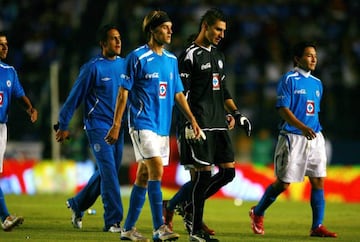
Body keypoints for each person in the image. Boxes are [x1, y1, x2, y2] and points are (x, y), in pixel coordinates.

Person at [105, 10, 204, 242]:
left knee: (143, 175)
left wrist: (192, 119)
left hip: (162, 127)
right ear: (152, 29)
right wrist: (116, 123)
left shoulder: (171, 60)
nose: (170, 30)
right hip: (142, 123)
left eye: (171, 27)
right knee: (157, 170)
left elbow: (178, 93)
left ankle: (128, 229)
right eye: (165, 27)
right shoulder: (137, 57)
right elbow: (123, 93)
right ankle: (160, 227)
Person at [163, 8, 251, 242]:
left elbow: (222, 91)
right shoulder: (189, 55)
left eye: (224, 31)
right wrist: (189, 123)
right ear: (205, 27)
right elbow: (180, 93)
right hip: (198, 125)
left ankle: (185, 207)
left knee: (229, 172)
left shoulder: (219, 57)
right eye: (218, 29)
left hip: (218, 124)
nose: (222, 34)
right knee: (202, 177)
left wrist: (237, 114)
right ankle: (195, 230)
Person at [249, 41, 337, 238]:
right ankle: (258, 212)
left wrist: (311, 129)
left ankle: (317, 226)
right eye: (308, 55)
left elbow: (313, 112)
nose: (313, 58)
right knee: (283, 184)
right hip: (293, 137)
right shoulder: (288, 80)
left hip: (314, 137)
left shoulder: (317, 83)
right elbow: (282, 109)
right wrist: (302, 127)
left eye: (314, 55)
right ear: (297, 59)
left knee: (318, 181)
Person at [55, 24, 128, 233]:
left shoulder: (124, 66)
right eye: (113, 38)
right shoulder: (92, 67)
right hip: (97, 126)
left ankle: (78, 204)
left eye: (119, 38)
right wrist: (63, 124)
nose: (118, 42)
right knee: (110, 173)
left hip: (117, 126)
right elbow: (74, 97)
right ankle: (113, 221)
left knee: (108, 171)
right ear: (103, 44)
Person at [0, 31, 38, 231]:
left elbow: (19, 95)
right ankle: (5, 217)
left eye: (6, 44)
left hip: (1, 128)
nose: (5, 47)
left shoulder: (9, 71)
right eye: (0, 44)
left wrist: (30, 108)